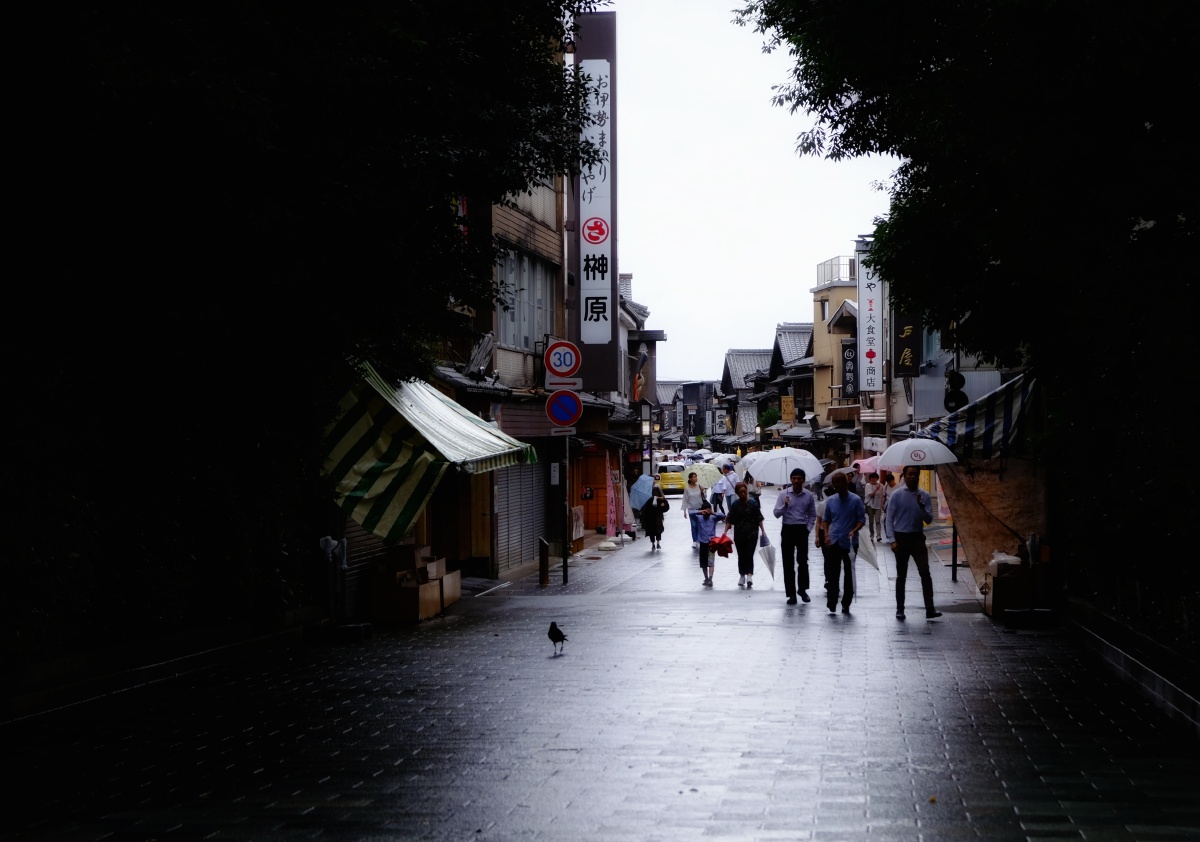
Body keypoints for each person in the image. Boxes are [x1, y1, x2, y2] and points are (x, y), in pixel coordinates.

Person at [885, 465, 942, 620]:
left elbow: (929, 520)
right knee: (901, 575)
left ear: (919, 475)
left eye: (915, 474)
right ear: (904, 475)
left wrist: (921, 506)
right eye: (910, 474)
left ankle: (930, 608)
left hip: (917, 538)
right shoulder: (896, 495)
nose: (913, 476)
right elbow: (889, 519)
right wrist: (892, 540)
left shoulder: (924, 495)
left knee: (925, 572)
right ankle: (900, 609)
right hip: (901, 538)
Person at [817, 470, 865, 614]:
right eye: (836, 486)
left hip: (850, 542)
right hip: (834, 540)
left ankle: (846, 602)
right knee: (833, 573)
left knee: (849, 573)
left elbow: (861, 519)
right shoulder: (831, 501)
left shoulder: (856, 500)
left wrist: (854, 530)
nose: (839, 489)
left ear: (846, 484)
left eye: (841, 486)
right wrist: (825, 535)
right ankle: (832, 600)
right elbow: (826, 520)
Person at [773, 468, 817, 605]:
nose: (796, 481)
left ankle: (802, 590)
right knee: (788, 563)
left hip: (801, 529)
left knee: (803, 561)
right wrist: (785, 506)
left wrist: (808, 529)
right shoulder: (783, 494)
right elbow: (776, 514)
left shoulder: (808, 495)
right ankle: (791, 593)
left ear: (803, 480)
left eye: (799, 478)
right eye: (794, 478)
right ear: (791, 479)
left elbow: (812, 514)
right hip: (787, 529)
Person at [723, 481, 766, 588]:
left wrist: (763, 530)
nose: (742, 494)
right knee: (741, 555)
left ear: (746, 491)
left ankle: (749, 575)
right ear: (737, 493)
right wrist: (725, 531)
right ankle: (742, 575)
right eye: (740, 492)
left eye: (744, 492)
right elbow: (729, 519)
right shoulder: (735, 505)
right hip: (739, 534)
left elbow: (759, 518)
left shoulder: (753, 503)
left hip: (752, 533)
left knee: (749, 554)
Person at [689, 501, 726, 587]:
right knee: (703, 562)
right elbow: (691, 513)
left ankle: (710, 578)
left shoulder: (713, 518)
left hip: (711, 542)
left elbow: (723, 516)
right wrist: (700, 512)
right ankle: (706, 577)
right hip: (702, 542)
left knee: (711, 561)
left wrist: (712, 513)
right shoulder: (699, 517)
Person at [681, 471, 707, 547]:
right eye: (694, 477)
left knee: (700, 524)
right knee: (693, 525)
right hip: (691, 509)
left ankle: (699, 539)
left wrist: (702, 491)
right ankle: (694, 541)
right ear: (690, 478)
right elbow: (685, 499)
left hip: (700, 508)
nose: (696, 478)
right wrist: (684, 511)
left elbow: (704, 497)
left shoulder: (699, 486)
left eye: (696, 476)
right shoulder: (687, 488)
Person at [863, 471, 884, 542]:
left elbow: (883, 495)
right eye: (872, 478)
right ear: (870, 479)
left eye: (875, 478)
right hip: (870, 505)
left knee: (878, 520)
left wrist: (882, 504)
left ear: (877, 478)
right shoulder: (868, 485)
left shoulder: (881, 486)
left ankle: (879, 535)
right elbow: (871, 495)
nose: (873, 479)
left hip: (878, 505)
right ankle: (871, 534)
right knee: (871, 521)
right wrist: (876, 490)